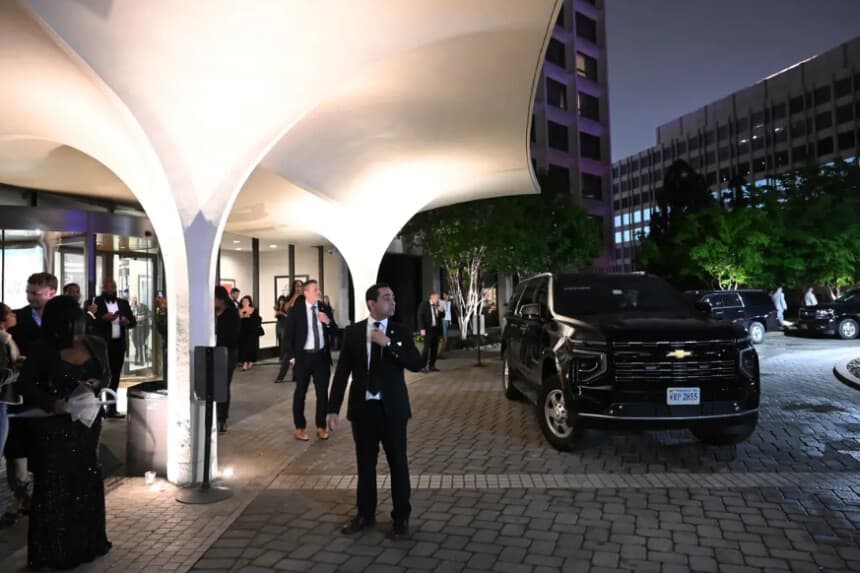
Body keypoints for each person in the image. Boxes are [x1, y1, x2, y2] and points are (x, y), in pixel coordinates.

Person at [15, 296, 112, 569]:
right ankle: (56, 550)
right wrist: (51, 402)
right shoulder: (43, 349)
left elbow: (106, 374)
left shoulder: (96, 343)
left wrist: (97, 383)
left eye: (79, 324)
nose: (77, 331)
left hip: (86, 423)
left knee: (85, 480)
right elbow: (26, 385)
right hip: (54, 426)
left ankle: (86, 543)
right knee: (55, 484)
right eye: (71, 326)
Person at [327, 283, 424, 539]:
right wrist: (333, 409)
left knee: (398, 465)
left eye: (393, 297)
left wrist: (389, 343)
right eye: (387, 298)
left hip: (393, 410)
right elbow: (342, 372)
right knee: (366, 466)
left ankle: (401, 518)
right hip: (363, 411)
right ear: (372, 303)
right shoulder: (354, 332)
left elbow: (416, 363)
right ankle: (365, 515)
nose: (393, 302)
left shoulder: (400, 331)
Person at [6, 272, 57, 519]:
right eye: (28, 292)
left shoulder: (61, 321)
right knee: (17, 448)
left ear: (51, 293)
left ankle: (43, 495)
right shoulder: (17, 319)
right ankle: (22, 496)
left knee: (45, 448)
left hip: (49, 394)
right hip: (21, 394)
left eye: (35, 293)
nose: (30, 297)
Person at [283, 280, 337, 441]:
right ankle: (300, 427)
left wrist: (327, 322)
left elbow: (335, 331)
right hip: (303, 358)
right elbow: (288, 336)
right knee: (300, 393)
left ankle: (321, 426)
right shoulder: (296, 311)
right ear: (306, 293)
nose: (319, 292)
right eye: (315, 289)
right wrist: (292, 357)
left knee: (322, 394)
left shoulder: (324, 308)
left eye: (319, 289)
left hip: (321, 357)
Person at [86, 278, 136, 418]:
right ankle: (98, 408)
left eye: (112, 287)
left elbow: (133, 322)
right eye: (106, 287)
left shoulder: (123, 303)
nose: (109, 289)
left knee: (115, 376)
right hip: (100, 346)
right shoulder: (94, 302)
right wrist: (103, 319)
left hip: (118, 345)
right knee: (99, 375)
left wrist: (126, 322)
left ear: (115, 288)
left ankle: (111, 408)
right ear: (102, 288)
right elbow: (88, 323)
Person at [0, 302, 23, 528]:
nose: (14, 315)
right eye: (10, 313)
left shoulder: (6, 339)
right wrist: (18, 369)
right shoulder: (2, 341)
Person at [214, 286, 240, 433]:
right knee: (213, 384)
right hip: (211, 351)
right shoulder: (210, 312)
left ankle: (222, 418)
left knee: (223, 385)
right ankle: (213, 415)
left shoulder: (231, 313)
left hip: (227, 352)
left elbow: (234, 336)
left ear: (221, 299)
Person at [273, 279, 305, 384]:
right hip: (290, 327)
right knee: (288, 353)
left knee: (298, 352)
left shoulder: (304, 298)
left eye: (300, 286)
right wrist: (295, 295)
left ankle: (296, 375)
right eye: (297, 286)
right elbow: (286, 308)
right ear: (293, 287)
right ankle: (280, 376)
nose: (299, 288)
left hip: (300, 328)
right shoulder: (289, 298)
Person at [417, 292, 444, 372]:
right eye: (437, 298)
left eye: (438, 298)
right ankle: (422, 366)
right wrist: (422, 328)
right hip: (427, 329)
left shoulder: (438, 305)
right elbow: (420, 316)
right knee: (426, 349)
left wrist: (441, 311)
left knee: (434, 349)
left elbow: (442, 316)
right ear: (432, 297)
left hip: (435, 329)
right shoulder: (424, 304)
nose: (438, 299)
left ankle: (432, 365)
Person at [237, 295, 262, 371]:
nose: (244, 302)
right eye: (243, 301)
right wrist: (242, 316)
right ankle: (245, 363)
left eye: (246, 301)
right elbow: (237, 319)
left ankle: (251, 360)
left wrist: (249, 316)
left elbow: (258, 319)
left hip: (252, 331)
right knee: (244, 347)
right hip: (243, 331)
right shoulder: (239, 309)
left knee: (251, 347)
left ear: (249, 302)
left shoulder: (254, 309)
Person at [130, 296, 151, 365]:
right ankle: (137, 359)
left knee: (141, 344)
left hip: (141, 328)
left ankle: (141, 360)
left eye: (133, 301)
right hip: (135, 328)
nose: (133, 302)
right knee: (136, 344)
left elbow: (149, 314)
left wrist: (142, 317)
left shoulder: (144, 306)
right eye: (132, 301)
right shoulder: (132, 308)